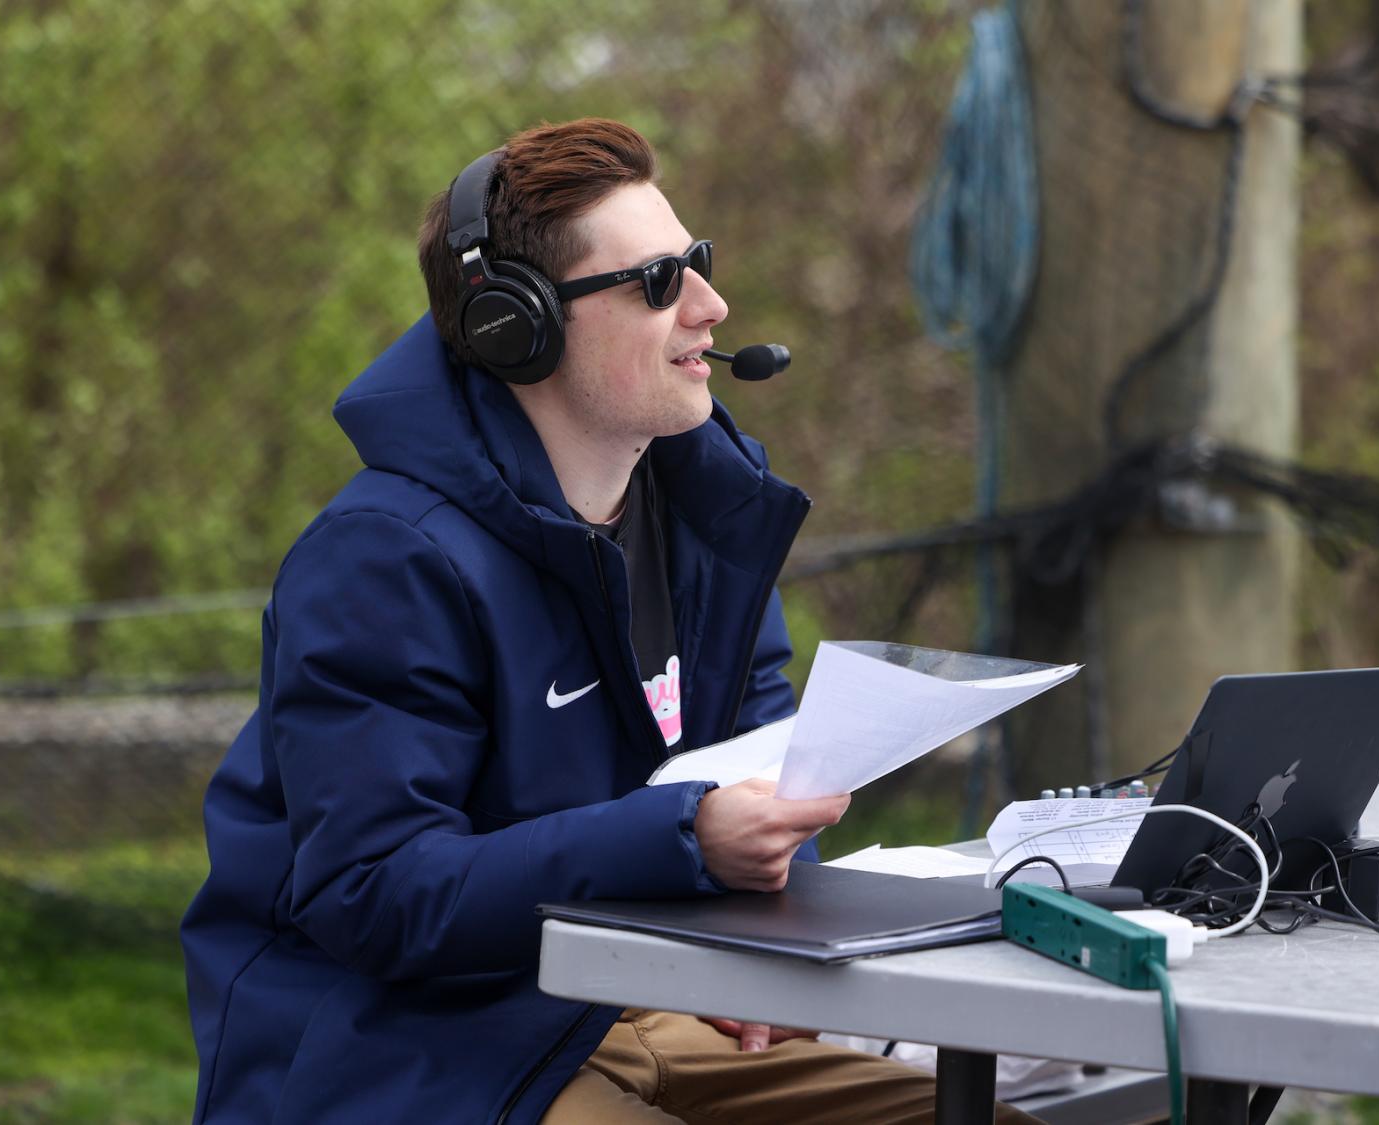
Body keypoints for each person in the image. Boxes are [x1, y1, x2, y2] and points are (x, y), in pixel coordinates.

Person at [181, 117, 1034, 1124]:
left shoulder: (712, 520)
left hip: (648, 1002)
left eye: (698, 263)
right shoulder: (384, 559)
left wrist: (765, 926)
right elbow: (374, 891)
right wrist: (683, 843)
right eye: (661, 281)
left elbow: (764, 767)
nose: (713, 308)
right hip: (422, 1048)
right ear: (519, 327)